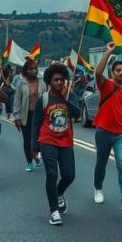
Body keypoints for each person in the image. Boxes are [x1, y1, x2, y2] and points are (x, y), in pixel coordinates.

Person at [31, 63, 80, 226]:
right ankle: (54, 211)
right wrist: (34, 147)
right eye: (56, 80)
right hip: (48, 140)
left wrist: (66, 99)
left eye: (62, 80)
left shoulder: (68, 96)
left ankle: (59, 194)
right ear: (49, 82)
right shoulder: (43, 99)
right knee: (52, 174)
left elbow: (77, 114)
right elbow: (36, 123)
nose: (60, 83)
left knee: (69, 175)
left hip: (66, 141)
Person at [92, 42, 122, 212]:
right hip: (103, 130)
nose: (121, 73)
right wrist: (108, 52)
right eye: (118, 70)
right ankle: (98, 188)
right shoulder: (106, 85)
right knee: (101, 162)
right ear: (113, 72)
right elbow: (97, 72)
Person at [13, 60, 47, 172]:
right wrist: (16, 117)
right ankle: (29, 161)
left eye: (36, 68)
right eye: (31, 69)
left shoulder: (43, 83)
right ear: (26, 71)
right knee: (27, 140)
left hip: (40, 115)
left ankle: (38, 157)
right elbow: (17, 101)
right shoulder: (21, 84)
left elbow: (47, 97)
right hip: (26, 115)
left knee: (40, 138)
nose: (34, 71)